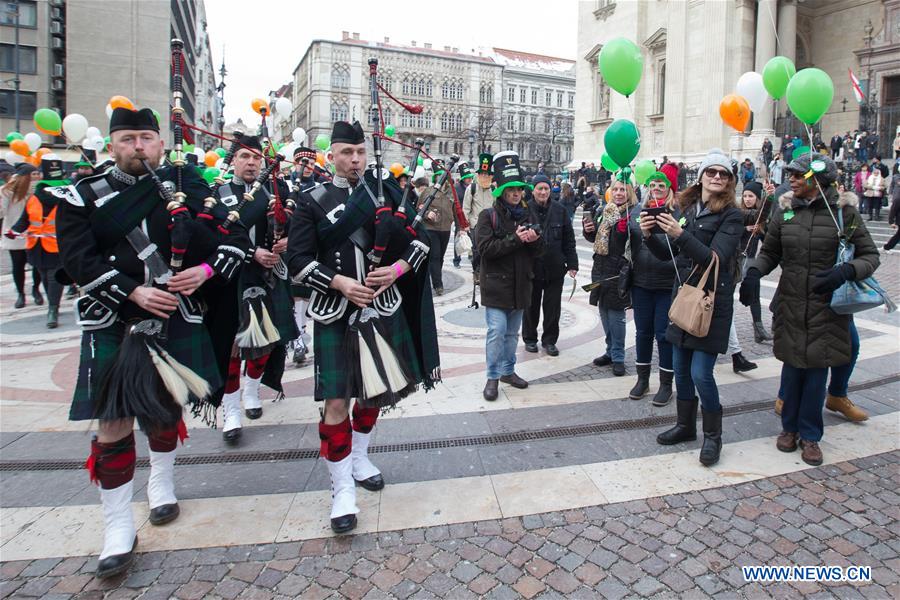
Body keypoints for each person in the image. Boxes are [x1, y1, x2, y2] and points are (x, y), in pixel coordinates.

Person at [56, 107, 231, 578]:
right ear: (113, 143)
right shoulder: (82, 195)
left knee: (165, 410)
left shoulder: (188, 186)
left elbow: (226, 240)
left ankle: (161, 483)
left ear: (160, 143)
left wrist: (207, 269)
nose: (139, 146)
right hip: (115, 318)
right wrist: (132, 290)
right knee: (112, 421)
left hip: (175, 314)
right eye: (129, 138)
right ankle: (116, 526)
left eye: (147, 138)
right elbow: (76, 257)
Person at [286, 120, 439, 534]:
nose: (354, 160)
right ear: (331, 155)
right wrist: (339, 283)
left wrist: (396, 269)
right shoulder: (310, 200)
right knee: (336, 403)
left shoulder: (386, 192)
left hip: (379, 306)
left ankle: (359, 457)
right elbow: (296, 260)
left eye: (359, 153)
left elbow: (421, 241)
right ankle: (341, 490)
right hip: (336, 311)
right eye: (346, 153)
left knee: (373, 393)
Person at [742, 153, 879, 466]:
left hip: (827, 307)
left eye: (798, 174)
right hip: (790, 301)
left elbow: (870, 256)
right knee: (791, 368)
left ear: (818, 180)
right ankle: (788, 429)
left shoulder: (844, 212)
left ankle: (811, 436)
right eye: (790, 172)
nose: (791, 178)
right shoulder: (784, 209)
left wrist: (845, 271)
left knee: (817, 372)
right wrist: (753, 273)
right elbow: (771, 252)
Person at [641, 149, 744, 467]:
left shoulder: (732, 215)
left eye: (723, 174)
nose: (716, 177)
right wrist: (648, 236)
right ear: (700, 177)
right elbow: (670, 255)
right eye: (711, 172)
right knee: (682, 372)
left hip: (712, 303)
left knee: (701, 373)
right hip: (684, 298)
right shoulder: (688, 207)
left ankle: (713, 436)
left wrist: (680, 234)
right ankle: (686, 426)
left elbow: (715, 258)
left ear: (729, 182)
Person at [209, 134, 297, 444]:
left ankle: (251, 389)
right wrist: (250, 253)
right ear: (232, 160)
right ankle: (230, 409)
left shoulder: (274, 192)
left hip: (269, 276)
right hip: (232, 279)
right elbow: (211, 234)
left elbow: (293, 225)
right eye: (245, 157)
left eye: (256, 158)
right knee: (234, 345)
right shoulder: (217, 193)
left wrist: (288, 241)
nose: (251, 162)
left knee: (269, 340)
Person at [475, 151, 544, 401]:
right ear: (501, 191)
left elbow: (538, 251)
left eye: (519, 190)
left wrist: (534, 241)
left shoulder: (528, 214)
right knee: (497, 330)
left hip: (521, 285)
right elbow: (485, 249)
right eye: (511, 189)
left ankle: (508, 371)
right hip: (496, 286)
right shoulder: (488, 216)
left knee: (512, 334)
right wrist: (516, 239)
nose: (516, 194)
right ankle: (492, 377)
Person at [628, 171, 677, 405]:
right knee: (643, 332)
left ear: (669, 189)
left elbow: (679, 245)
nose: (656, 188)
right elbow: (626, 241)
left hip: (667, 284)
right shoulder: (637, 211)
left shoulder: (676, 213)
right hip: (641, 283)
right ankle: (642, 379)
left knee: (664, 335)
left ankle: (666, 383)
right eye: (653, 184)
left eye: (661, 184)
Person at [584, 172, 639, 377]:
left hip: (618, 271)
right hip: (600, 267)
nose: (618, 193)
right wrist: (589, 230)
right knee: (604, 312)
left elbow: (630, 242)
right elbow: (598, 240)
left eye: (622, 189)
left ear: (630, 192)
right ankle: (609, 351)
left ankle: (618, 356)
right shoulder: (605, 210)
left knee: (616, 315)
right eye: (615, 189)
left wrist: (625, 229)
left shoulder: (633, 212)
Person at [6, 157, 71, 327]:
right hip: (36, 247)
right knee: (43, 276)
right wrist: (14, 231)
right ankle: (52, 304)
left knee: (54, 277)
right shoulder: (34, 198)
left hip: (58, 247)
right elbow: (25, 220)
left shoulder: (67, 199)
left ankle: (53, 309)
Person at [522, 173, 577, 356]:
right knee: (531, 306)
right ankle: (530, 339)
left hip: (555, 266)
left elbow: (569, 239)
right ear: (534, 190)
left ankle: (550, 341)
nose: (543, 191)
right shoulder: (524, 210)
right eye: (540, 188)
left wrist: (572, 263)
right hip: (532, 267)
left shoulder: (560, 210)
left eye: (546, 188)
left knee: (553, 307)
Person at [288, 145, 323, 365]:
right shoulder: (285, 186)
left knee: (310, 296)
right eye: (303, 163)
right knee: (295, 297)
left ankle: (307, 337)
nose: (307, 167)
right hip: (290, 251)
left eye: (310, 163)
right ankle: (299, 340)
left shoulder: (319, 188)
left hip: (314, 250)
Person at [418, 160, 467, 296]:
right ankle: (438, 285)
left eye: (445, 177)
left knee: (440, 258)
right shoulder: (428, 191)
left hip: (445, 229)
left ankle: (434, 278)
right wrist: (428, 213)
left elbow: (457, 211)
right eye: (440, 176)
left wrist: (460, 227)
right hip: (430, 228)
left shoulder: (452, 193)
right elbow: (418, 208)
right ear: (435, 178)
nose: (443, 179)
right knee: (434, 256)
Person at [737, 181, 774, 343]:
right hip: (737, 259)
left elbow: (768, 240)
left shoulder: (761, 218)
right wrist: (744, 229)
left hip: (751, 260)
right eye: (745, 196)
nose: (747, 199)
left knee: (755, 294)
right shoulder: (738, 213)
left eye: (751, 196)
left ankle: (758, 329)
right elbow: (728, 231)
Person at [0, 164, 42, 309]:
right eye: (33, 174)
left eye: (37, 173)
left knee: (37, 264)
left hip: (33, 232)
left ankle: (36, 290)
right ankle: (20, 294)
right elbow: (2, 212)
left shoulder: (37, 190)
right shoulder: (7, 191)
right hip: (13, 233)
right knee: (18, 264)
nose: (36, 176)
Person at [464, 153, 494, 279]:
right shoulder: (472, 188)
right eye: (482, 174)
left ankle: (485, 271)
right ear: (478, 174)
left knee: (488, 250)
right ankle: (476, 271)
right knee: (476, 250)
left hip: (490, 224)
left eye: (487, 174)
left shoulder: (493, 189)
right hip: (475, 224)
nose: (484, 176)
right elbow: (466, 208)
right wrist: (465, 225)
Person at [885, 164, 900, 251]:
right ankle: (887, 247)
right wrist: (891, 221)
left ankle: (887, 247)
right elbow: (893, 210)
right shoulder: (896, 177)